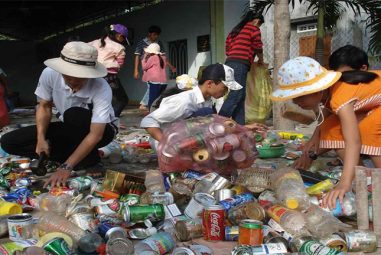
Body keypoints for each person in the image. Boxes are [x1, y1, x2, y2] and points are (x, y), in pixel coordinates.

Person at [270, 54, 381, 210]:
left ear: (317, 89)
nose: (296, 102)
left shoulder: (340, 97)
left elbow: (353, 142)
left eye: (300, 97)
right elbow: (325, 120)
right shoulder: (329, 93)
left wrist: (344, 182)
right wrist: (310, 150)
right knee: (330, 129)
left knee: (368, 131)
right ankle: (360, 175)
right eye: (294, 98)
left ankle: (375, 180)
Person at [0, 42, 117, 187]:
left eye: (79, 79)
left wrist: (66, 167)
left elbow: (96, 134)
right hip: (69, 128)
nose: (73, 83)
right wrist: (41, 138)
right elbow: (44, 106)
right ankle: (68, 157)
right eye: (68, 77)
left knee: (73, 115)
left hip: (102, 131)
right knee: (9, 141)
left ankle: (90, 160)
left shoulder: (101, 87)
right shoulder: (49, 74)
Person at [141, 63, 267, 148]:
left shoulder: (206, 100)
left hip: (186, 139)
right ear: (210, 84)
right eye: (224, 88)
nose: (226, 92)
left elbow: (214, 125)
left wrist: (244, 128)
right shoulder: (185, 101)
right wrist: (167, 144)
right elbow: (148, 120)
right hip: (168, 145)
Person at [219, 11, 264, 125]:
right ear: (257, 21)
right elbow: (258, 46)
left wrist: (233, 55)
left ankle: (240, 126)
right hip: (240, 64)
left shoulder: (235, 30)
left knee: (240, 95)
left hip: (229, 63)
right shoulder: (254, 29)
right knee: (236, 93)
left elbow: (228, 47)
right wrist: (261, 60)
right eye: (260, 24)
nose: (259, 27)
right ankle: (218, 121)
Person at [89, 24, 129, 117]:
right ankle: (111, 119)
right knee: (122, 100)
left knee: (93, 99)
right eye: (123, 38)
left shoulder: (93, 43)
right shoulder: (119, 47)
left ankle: (90, 118)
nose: (123, 41)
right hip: (109, 77)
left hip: (92, 75)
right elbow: (120, 64)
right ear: (119, 36)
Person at [134, 25, 176, 111]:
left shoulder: (158, 43)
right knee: (152, 87)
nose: (156, 37)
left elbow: (163, 57)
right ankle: (146, 104)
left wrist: (171, 66)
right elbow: (137, 56)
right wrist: (136, 70)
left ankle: (148, 105)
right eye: (154, 34)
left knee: (153, 88)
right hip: (147, 68)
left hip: (156, 70)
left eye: (157, 35)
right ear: (149, 34)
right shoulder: (141, 43)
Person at [141, 43, 168, 109]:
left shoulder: (153, 58)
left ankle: (151, 113)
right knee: (159, 100)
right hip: (164, 82)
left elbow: (144, 67)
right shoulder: (163, 58)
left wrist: (144, 58)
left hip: (155, 81)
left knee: (152, 99)